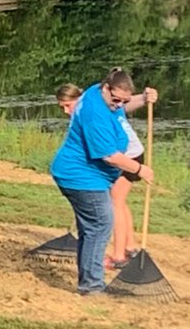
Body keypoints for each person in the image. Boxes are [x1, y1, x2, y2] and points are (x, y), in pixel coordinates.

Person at [50, 68, 153, 296]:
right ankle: (92, 286)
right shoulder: (95, 113)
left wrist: (143, 99)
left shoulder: (101, 93)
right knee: (101, 224)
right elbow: (109, 156)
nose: (118, 104)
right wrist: (140, 169)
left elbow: (122, 107)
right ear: (106, 88)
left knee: (92, 227)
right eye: (116, 99)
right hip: (80, 177)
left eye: (123, 100)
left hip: (86, 176)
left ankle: (89, 282)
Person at [107, 84, 158, 270]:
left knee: (114, 202)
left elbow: (125, 104)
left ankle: (118, 256)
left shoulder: (103, 106)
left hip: (128, 157)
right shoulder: (107, 104)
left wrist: (144, 98)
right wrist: (144, 98)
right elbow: (125, 105)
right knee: (119, 200)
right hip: (131, 153)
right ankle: (130, 246)